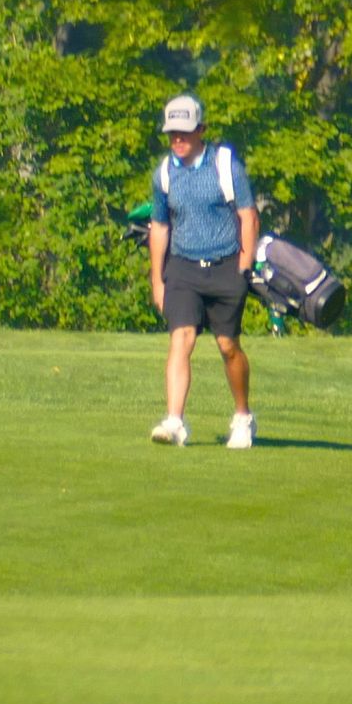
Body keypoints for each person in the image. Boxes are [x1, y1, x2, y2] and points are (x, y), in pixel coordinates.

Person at [145, 94, 257, 449]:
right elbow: (159, 227)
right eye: (172, 134)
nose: (177, 140)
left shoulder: (225, 165)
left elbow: (248, 215)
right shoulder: (164, 173)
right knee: (181, 339)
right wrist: (157, 279)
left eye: (184, 133)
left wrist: (244, 264)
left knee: (228, 346)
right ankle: (175, 421)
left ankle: (243, 416)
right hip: (182, 267)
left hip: (225, 264)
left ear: (201, 131)